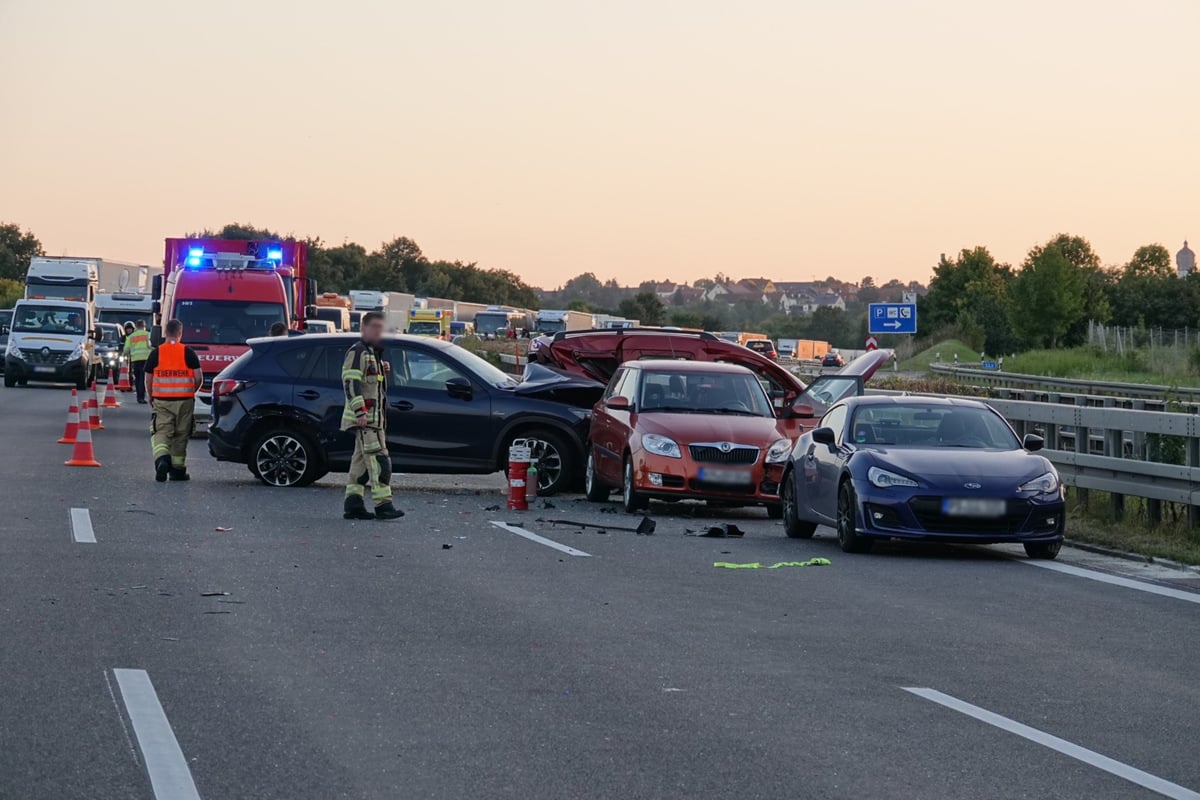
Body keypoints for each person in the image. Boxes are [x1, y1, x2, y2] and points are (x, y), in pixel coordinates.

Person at [340, 311, 403, 520]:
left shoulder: (371, 352)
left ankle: (353, 504)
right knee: (379, 461)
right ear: (363, 328)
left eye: (381, 327)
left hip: (372, 420)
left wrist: (381, 370)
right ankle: (383, 505)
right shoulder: (358, 351)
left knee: (360, 463)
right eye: (374, 326)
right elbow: (350, 383)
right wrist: (360, 412)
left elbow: (370, 384)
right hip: (368, 420)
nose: (378, 331)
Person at [143, 319, 203, 482]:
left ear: (165, 333)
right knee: (181, 434)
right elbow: (198, 377)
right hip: (185, 400)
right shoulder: (188, 352)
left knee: (162, 431)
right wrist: (191, 392)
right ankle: (177, 470)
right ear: (180, 333)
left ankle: (162, 459)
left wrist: (151, 395)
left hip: (162, 400)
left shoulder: (157, 352)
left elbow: (148, 378)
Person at [123, 320, 153, 404]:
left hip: (135, 360)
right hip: (146, 359)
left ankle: (139, 397)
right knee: (143, 379)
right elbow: (152, 346)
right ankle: (142, 397)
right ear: (144, 326)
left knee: (137, 379)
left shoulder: (131, 336)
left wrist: (125, 354)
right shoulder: (148, 334)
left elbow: (126, 350)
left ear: (136, 327)